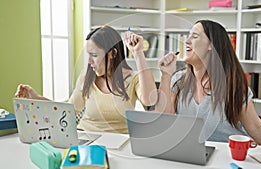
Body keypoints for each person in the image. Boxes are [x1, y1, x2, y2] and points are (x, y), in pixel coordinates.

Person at [15, 25, 158, 133]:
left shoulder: (133, 79)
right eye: (88, 55)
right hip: (84, 139)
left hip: (118, 145)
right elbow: (67, 111)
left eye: (94, 55)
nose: (89, 61)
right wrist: (35, 97)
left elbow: (150, 100)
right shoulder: (87, 76)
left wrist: (138, 53)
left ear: (113, 53)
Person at [156, 20, 261, 146]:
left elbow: (255, 127)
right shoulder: (178, 80)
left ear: (212, 45)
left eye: (195, 36)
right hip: (194, 155)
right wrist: (165, 75)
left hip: (228, 158)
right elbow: (163, 118)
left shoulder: (232, 85)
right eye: (188, 36)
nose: (186, 41)